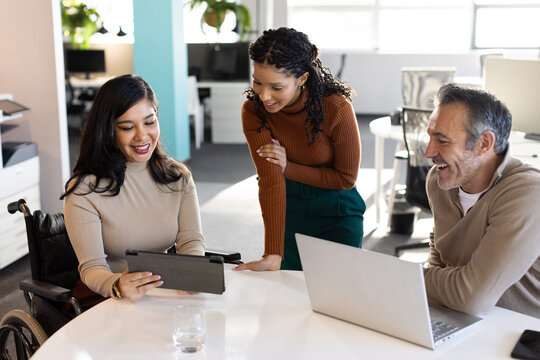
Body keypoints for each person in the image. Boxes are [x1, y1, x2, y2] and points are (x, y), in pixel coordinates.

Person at [62, 74, 205, 302]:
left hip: (163, 290)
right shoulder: (85, 190)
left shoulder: (177, 177)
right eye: (127, 127)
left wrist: (192, 274)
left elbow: (191, 242)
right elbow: (92, 268)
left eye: (149, 122)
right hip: (108, 295)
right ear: (108, 131)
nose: (142, 136)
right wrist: (117, 285)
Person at [235, 27, 366, 272]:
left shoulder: (335, 108)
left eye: (276, 87)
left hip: (337, 212)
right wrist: (273, 253)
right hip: (289, 211)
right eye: (257, 82)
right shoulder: (253, 111)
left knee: (338, 297)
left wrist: (288, 167)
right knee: (289, 299)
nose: (264, 95)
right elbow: (270, 178)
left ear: (302, 79)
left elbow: (346, 179)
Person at [423, 83, 540, 318]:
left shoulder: (527, 193)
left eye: (443, 141)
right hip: (464, 320)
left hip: (520, 332)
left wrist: (405, 278)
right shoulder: (440, 179)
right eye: (429, 138)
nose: (428, 152)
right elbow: (439, 257)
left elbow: (471, 298)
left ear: (484, 143)